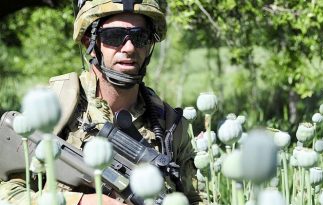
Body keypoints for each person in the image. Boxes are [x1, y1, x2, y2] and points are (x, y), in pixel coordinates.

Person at [0, 0, 201, 204]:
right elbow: (7, 192)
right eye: (114, 37)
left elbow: (198, 199)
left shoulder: (170, 127)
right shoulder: (56, 106)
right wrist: (77, 201)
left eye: (140, 37)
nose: (129, 47)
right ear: (89, 42)